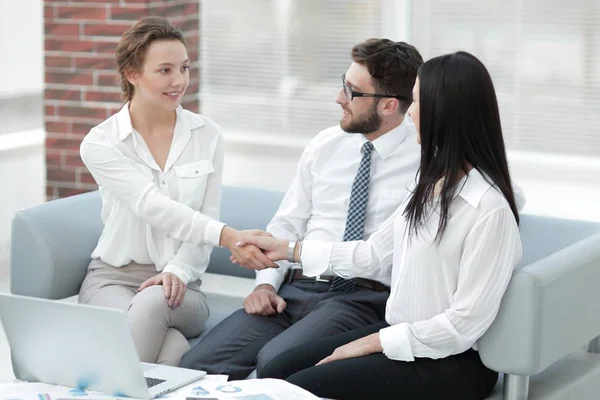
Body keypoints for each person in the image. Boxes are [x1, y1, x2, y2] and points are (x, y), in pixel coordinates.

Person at [237, 51, 522, 400]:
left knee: (303, 385)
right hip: (399, 334)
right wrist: (288, 249)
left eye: (416, 102)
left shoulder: (489, 210)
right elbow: (372, 254)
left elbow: (463, 325)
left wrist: (371, 343)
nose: (410, 112)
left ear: (445, 114)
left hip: (453, 359)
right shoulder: (430, 185)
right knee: (277, 367)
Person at [179, 39, 424, 378]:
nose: (339, 98)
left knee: (275, 364)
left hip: (360, 298)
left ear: (388, 105)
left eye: (352, 92)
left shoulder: (426, 160)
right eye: (343, 84)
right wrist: (264, 284)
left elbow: (498, 191)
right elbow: (287, 224)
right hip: (293, 289)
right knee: (197, 366)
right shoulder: (326, 145)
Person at [78, 16, 274, 366]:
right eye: (165, 70)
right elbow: (151, 205)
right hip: (112, 279)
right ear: (132, 73)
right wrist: (229, 237)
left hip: (184, 286)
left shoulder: (207, 135)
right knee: (169, 350)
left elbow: (205, 218)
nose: (179, 81)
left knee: (155, 302)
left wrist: (178, 271)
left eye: (183, 68)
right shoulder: (101, 143)